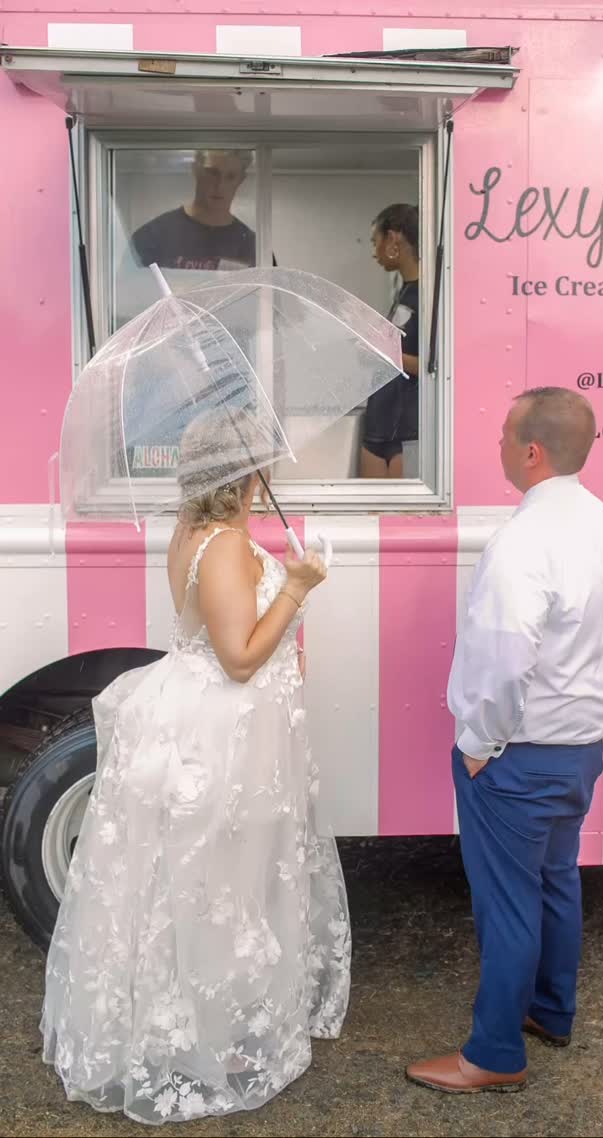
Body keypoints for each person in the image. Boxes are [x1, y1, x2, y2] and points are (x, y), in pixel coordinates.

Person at [41, 414, 351, 1124]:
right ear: (241, 476)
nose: (268, 478)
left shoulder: (193, 533)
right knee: (221, 885)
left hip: (213, 721)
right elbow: (240, 659)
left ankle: (202, 1017)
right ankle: (212, 1035)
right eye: (261, 466)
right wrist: (298, 588)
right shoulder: (224, 545)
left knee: (203, 881)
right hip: (221, 737)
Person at [407, 387, 603, 1094]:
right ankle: (550, 1010)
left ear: (531, 451)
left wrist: (480, 741)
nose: (497, 446)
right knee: (557, 881)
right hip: (579, 747)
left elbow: (504, 657)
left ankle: (494, 1055)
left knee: (506, 902)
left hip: (518, 753)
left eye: (504, 436)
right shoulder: (602, 522)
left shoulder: (523, 540)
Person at [360, 204, 420, 479]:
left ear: (394, 238)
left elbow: (434, 368)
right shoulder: (403, 292)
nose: (374, 252)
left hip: (406, 430)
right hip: (379, 423)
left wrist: (381, 349)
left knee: (399, 520)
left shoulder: (428, 296)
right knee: (370, 518)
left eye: (376, 242)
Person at [131, 150, 259, 271]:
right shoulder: (152, 237)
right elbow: (127, 289)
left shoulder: (253, 247)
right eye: (213, 173)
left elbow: (271, 292)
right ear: (196, 170)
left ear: (241, 180)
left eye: (230, 176)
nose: (220, 185)